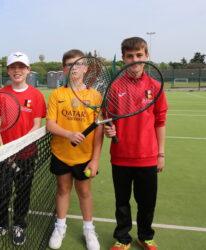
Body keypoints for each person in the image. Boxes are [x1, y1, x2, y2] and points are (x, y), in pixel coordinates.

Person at [105, 37, 168, 250]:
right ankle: (123, 239)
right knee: (122, 203)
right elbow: (108, 120)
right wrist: (109, 129)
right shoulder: (114, 87)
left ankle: (145, 236)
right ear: (123, 58)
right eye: (130, 56)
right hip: (121, 156)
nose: (135, 59)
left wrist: (161, 154)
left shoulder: (156, 86)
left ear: (146, 55)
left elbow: (160, 122)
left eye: (139, 55)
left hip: (148, 157)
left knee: (146, 203)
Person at [0, 51, 47, 246]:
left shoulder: (36, 95)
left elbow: (36, 125)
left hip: (27, 154)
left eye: (21, 67)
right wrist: (4, 149)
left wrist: (19, 147)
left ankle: (19, 225)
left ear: (28, 70)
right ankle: (0, 224)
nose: (17, 70)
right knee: (1, 191)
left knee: (23, 192)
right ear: (8, 71)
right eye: (13, 67)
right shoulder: (0, 94)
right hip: (4, 156)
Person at [46, 49, 103, 250]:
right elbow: (50, 125)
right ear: (64, 69)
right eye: (69, 65)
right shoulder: (57, 94)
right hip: (61, 153)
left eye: (78, 64)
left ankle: (89, 229)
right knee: (62, 190)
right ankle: (60, 227)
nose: (74, 68)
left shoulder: (95, 96)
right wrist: (69, 134)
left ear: (86, 68)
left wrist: (95, 159)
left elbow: (99, 130)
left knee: (84, 192)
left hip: (84, 157)